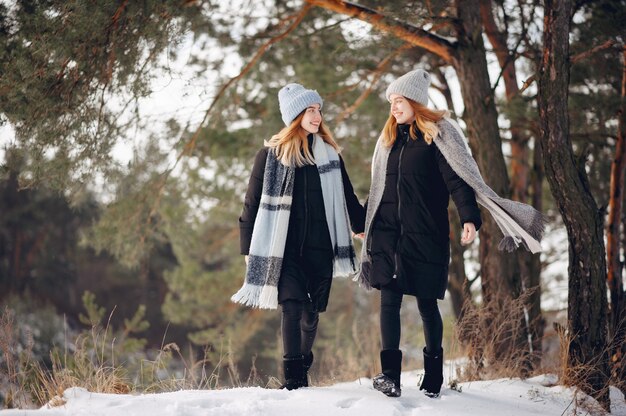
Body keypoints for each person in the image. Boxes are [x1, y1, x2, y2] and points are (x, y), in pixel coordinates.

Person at [358, 69, 545, 399]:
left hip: (425, 235)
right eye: (391, 102)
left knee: (427, 305)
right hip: (389, 234)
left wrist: (469, 218)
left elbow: (459, 180)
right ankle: (389, 375)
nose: (394, 108)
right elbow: (378, 189)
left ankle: (432, 377)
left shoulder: (437, 137)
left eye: (399, 101)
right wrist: (368, 222)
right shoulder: (387, 142)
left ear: (415, 101)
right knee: (389, 301)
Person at [232, 83, 366, 390]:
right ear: (295, 116)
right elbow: (251, 204)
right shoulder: (269, 157)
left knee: (310, 313)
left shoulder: (330, 155)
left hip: (321, 246)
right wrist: (248, 248)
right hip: (285, 248)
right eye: (310, 110)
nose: (317, 115)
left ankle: (303, 359)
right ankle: (293, 380)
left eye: (318, 109)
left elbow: (347, 195)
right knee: (291, 306)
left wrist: (360, 225)